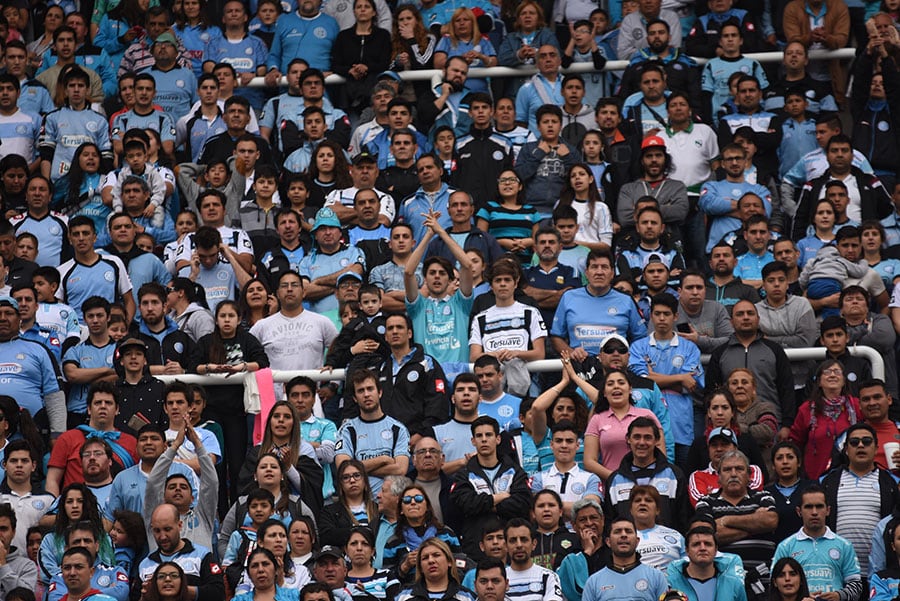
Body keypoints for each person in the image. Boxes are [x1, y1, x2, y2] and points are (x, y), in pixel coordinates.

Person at [821, 423, 900, 579]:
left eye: (867, 441)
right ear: (846, 449)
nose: (861, 445)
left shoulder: (891, 482)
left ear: (876, 448)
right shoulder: (827, 481)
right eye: (854, 442)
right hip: (837, 573)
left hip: (879, 574)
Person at [450, 417, 531, 557]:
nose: (484, 439)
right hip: (476, 547)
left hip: (512, 548)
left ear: (498, 439)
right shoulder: (463, 475)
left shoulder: (516, 471)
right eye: (479, 436)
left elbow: (522, 503)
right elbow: (466, 504)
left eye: (488, 435)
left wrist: (486, 505)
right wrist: (498, 497)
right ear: (473, 441)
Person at [694, 450, 778, 576]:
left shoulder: (763, 497)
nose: (733, 474)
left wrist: (726, 520)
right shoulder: (706, 502)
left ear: (749, 475)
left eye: (739, 469)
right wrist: (756, 525)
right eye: (727, 470)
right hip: (723, 576)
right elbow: (708, 536)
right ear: (719, 477)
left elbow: (770, 521)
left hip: (763, 575)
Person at [772, 485, 863, 600]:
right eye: (808, 507)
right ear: (799, 511)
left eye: (819, 506)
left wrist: (839, 596)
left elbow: (857, 586)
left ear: (828, 510)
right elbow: (774, 585)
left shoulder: (844, 545)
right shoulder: (785, 547)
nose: (814, 512)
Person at [789, 360, 861, 479]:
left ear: (844, 380)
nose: (832, 375)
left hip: (852, 475)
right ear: (819, 382)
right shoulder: (807, 409)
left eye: (837, 372)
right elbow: (796, 443)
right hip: (816, 475)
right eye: (827, 372)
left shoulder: (857, 406)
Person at [138, 504, 223, 601]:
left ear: (179, 525)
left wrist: (182, 590)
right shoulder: (145, 565)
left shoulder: (202, 555)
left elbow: (218, 592)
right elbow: (134, 597)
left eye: (167, 529)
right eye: (157, 531)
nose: (162, 536)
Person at [382, 484, 460, 583]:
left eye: (418, 499)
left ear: (427, 506)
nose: (413, 502)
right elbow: (386, 578)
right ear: (401, 510)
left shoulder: (446, 533)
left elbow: (460, 564)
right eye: (407, 500)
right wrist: (405, 566)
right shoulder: (393, 541)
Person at [580, 516, 667, 601]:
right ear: (608, 542)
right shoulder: (594, 582)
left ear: (637, 541)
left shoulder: (656, 577)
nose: (623, 535)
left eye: (628, 531)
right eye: (617, 532)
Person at [666, 526, 747, 601]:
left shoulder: (734, 584)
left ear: (716, 550)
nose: (702, 548)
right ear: (687, 551)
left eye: (708, 544)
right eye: (696, 544)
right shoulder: (670, 584)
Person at [394, 538, 476, 601]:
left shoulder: (467, 597)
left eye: (436, 555)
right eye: (425, 558)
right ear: (420, 567)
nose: (431, 561)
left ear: (449, 561)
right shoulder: (403, 597)